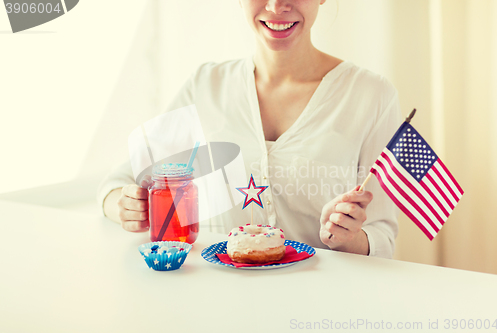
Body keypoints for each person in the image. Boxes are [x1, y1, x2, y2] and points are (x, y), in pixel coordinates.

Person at [98, 0, 401, 258]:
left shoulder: (371, 95)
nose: (275, 6)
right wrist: (126, 207)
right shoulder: (207, 86)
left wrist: (349, 239)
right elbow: (118, 183)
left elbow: (383, 236)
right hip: (222, 303)